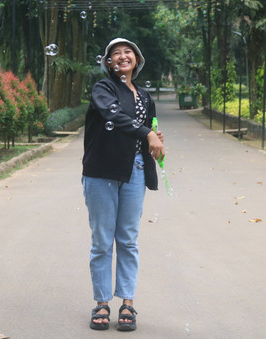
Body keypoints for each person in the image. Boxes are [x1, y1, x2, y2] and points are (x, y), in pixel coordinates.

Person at [82, 38, 165, 331]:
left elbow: (150, 130)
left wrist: (156, 142)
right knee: (103, 241)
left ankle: (127, 303)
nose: (122, 56)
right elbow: (113, 116)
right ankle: (102, 302)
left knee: (128, 240)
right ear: (108, 63)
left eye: (128, 51)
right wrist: (146, 133)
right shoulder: (103, 89)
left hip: (136, 171)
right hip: (102, 172)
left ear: (137, 60)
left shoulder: (144, 96)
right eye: (115, 53)